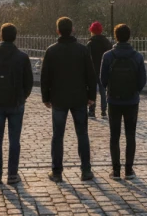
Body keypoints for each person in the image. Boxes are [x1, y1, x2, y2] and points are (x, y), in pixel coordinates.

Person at [40, 16, 97, 183]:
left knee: (58, 136)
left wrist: (46, 97)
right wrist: (91, 96)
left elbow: (45, 77)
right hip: (79, 97)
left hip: (58, 98)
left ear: (58, 31)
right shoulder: (82, 50)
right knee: (82, 134)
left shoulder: (51, 50)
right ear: (72, 30)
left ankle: (57, 171)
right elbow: (90, 75)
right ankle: (86, 170)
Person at [0, 23, 34, 186]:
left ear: (1, 36)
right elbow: (29, 82)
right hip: (16, 103)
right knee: (14, 140)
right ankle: (12, 174)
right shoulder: (22, 57)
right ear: (15, 36)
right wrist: (22, 97)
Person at [98, 24, 146, 180]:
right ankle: (129, 170)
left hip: (114, 100)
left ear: (115, 36)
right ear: (129, 37)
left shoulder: (108, 56)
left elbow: (102, 79)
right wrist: (134, 91)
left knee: (115, 135)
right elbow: (142, 80)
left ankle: (116, 170)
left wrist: (109, 90)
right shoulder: (137, 56)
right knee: (130, 135)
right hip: (132, 101)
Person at [86, 22, 112, 119]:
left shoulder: (90, 43)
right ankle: (104, 111)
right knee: (103, 91)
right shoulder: (106, 42)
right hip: (104, 69)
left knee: (92, 90)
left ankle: (92, 111)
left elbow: (87, 58)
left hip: (92, 70)